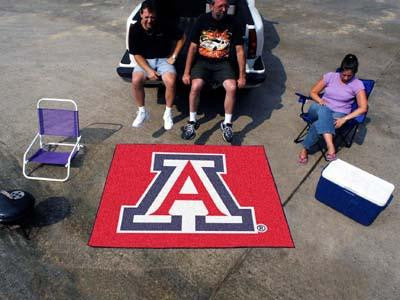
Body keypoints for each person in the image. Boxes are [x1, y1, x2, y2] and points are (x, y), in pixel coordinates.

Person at [181, 0, 246, 142]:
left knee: (232, 87)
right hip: (202, 62)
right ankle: (192, 122)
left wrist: (242, 76)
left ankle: (227, 124)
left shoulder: (233, 22)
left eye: (226, 6)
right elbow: (192, 47)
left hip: (223, 63)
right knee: (195, 86)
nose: (224, 9)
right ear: (211, 6)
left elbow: (240, 51)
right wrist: (186, 72)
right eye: (220, 6)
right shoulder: (201, 20)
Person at [298, 54, 368, 164]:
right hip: (318, 108)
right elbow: (313, 92)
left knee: (317, 124)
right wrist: (320, 100)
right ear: (341, 69)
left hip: (339, 113)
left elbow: (363, 108)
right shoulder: (330, 76)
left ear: (354, 73)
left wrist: (345, 119)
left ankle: (304, 149)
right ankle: (330, 145)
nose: (345, 78)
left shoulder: (357, 84)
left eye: (349, 76)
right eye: (343, 74)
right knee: (323, 109)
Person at [129, 0, 186, 130]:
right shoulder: (135, 29)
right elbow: (136, 54)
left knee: (171, 81)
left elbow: (182, 37)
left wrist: (174, 56)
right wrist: (148, 70)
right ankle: (142, 112)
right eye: (146, 17)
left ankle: (168, 113)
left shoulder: (164, 24)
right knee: (136, 80)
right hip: (145, 60)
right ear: (141, 14)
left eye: (152, 17)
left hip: (163, 59)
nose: (149, 20)